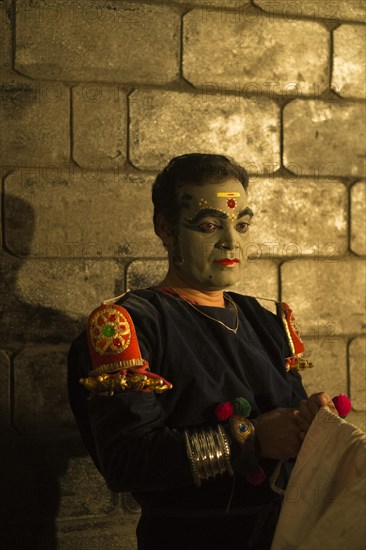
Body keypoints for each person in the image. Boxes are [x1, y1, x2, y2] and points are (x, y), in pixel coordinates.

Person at [68, 153, 337, 550]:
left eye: (242, 225)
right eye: (210, 225)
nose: (232, 242)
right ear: (166, 228)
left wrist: (309, 422)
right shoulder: (127, 323)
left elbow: (292, 434)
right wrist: (250, 440)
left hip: (284, 533)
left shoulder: (267, 319)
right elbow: (126, 461)